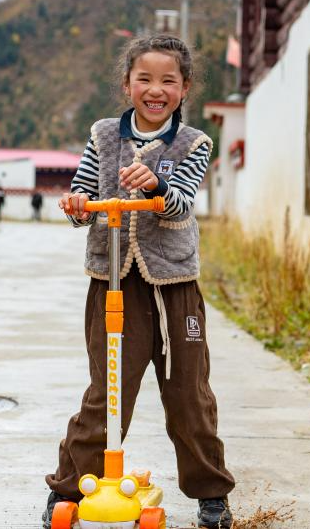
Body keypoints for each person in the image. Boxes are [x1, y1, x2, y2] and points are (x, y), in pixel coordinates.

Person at [42, 35, 235, 529]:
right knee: (107, 392)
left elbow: (182, 202)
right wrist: (77, 206)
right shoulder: (104, 135)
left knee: (188, 394)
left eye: (168, 80)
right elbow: (84, 193)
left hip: (174, 285)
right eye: (144, 79)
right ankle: (68, 489)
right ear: (127, 84)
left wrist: (156, 184)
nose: (156, 90)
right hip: (113, 281)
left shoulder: (194, 143)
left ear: (184, 86)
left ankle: (211, 494)